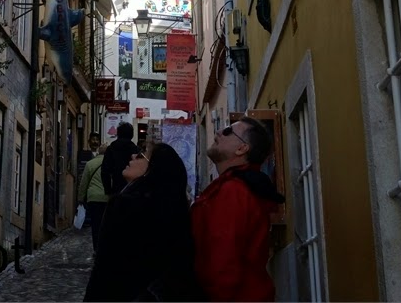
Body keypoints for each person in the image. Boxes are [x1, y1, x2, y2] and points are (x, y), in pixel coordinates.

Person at [83, 143, 201, 302]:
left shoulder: (125, 205)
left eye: (140, 155)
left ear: (153, 169)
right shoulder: (173, 211)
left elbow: (105, 269)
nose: (133, 156)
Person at [191, 117, 286, 302]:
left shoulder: (233, 191)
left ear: (242, 148)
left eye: (228, 131)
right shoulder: (237, 187)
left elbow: (222, 263)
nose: (219, 132)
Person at [76, 136, 109, 243]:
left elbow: (84, 182)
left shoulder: (90, 164)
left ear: (99, 151)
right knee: (106, 224)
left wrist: (80, 198)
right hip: (107, 197)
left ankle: (96, 247)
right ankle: (104, 245)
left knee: (95, 224)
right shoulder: (111, 164)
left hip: (93, 197)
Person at [101, 121, 140, 198]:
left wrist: (108, 190)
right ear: (132, 135)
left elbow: (105, 172)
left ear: (118, 134)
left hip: (116, 189)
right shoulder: (136, 150)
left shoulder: (111, 149)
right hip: (132, 191)